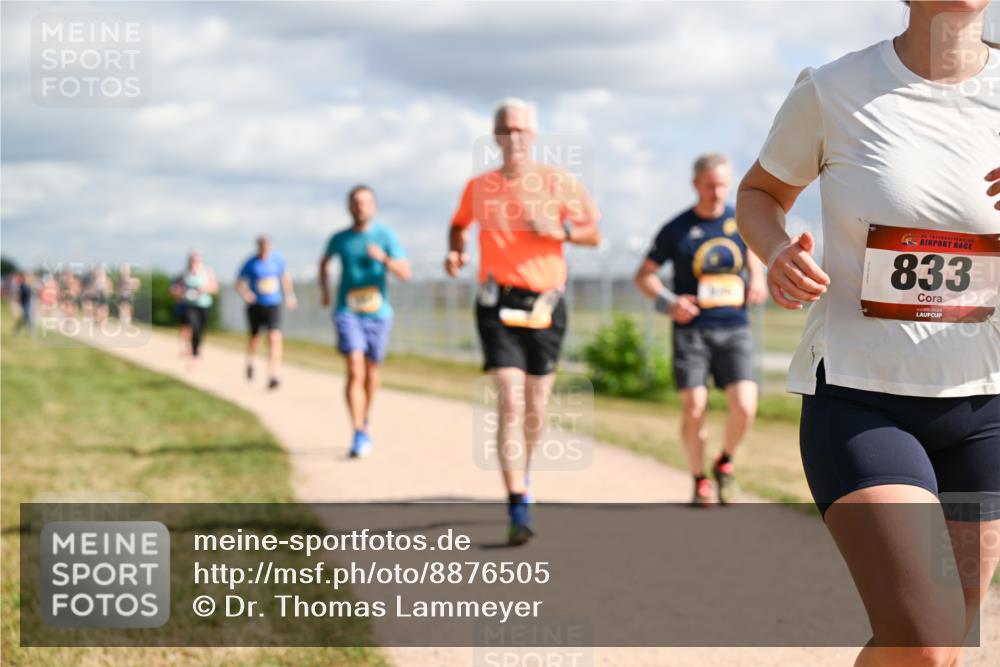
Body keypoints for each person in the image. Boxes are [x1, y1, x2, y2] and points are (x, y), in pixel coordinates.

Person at [737, 2, 999, 663]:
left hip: (986, 401)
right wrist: (775, 253)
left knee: (939, 641)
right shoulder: (835, 89)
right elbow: (760, 193)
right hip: (861, 396)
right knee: (926, 634)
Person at [445, 98, 602, 545]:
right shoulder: (479, 187)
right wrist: (456, 250)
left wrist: (562, 232)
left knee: (536, 408)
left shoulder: (557, 182)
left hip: (546, 305)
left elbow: (594, 232)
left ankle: (525, 476)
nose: (513, 137)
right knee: (510, 402)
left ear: (532, 136)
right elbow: (458, 225)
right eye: (505, 130)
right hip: (497, 304)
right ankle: (517, 501)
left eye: (521, 130)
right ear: (495, 136)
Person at [634, 153, 766, 507]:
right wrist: (669, 302)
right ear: (696, 185)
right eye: (710, 185)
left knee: (745, 406)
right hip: (692, 331)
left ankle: (724, 461)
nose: (717, 191)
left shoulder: (740, 222)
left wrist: (757, 280)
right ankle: (699, 479)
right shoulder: (676, 229)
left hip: (734, 327)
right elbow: (644, 276)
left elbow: (754, 253)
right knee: (695, 407)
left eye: (723, 184)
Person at [319, 185, 410, 458]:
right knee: (355, 368)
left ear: (374, 206)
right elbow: (323, 263)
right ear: (349, 207)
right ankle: (358, 429)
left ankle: (365, 417)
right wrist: (325, 291)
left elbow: (405, 272)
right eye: (356, 203)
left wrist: (384, 259)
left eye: (366, 202)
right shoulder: (339, 238)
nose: (361, 207)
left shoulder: (385, 236)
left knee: (371, 372)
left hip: (379, 314)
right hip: (348, 311)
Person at [237, 236, 298, 390]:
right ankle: (250, 361)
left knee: (274, 337)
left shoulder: (277, 260)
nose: (265, 250)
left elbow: (284, 278)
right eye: (262, 247)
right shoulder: (250, 263)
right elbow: (239, 282)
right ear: (258, 247)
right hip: (256, 305)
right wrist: (246, 294)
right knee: (255, 338)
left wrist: (290, 296)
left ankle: (273, 374)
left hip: (273, 304)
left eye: (267, 246)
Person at [171, 252, 217, 366]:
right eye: (192, 260)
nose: (194, 262)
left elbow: (215, 288)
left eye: (196, 260)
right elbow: (174, 287)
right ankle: (193, 352)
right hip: (189, 305)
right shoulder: (184, 273)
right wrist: (179, 293)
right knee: (192, 326)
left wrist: (204, 289)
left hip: (204, 305)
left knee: (201, 329)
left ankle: (196, 349)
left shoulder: (207, 272)